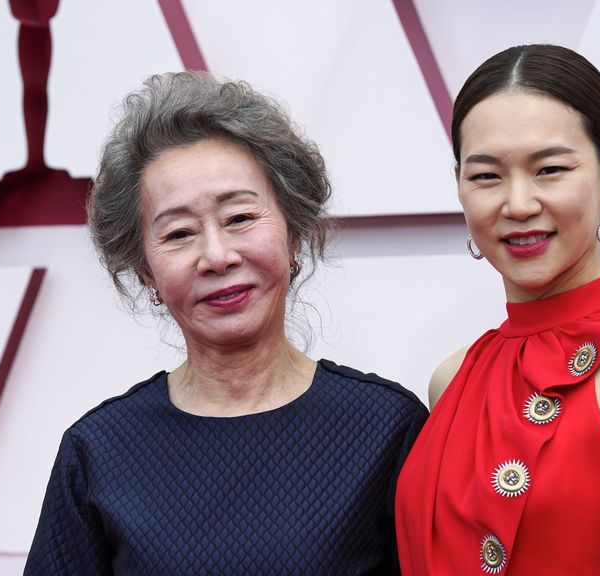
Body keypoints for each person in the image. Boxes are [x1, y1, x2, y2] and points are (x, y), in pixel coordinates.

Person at [24, 71, 427, 575]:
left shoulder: (385, 427)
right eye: (179, 233)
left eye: (239, 219)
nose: (216, 255)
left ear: (294, 232)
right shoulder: (100, 450)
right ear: (145, 268)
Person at [395, 45, 600, 575]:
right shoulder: (452, 378)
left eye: (550, 169)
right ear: (460, 187)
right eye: (486, 176)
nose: (517, 204)